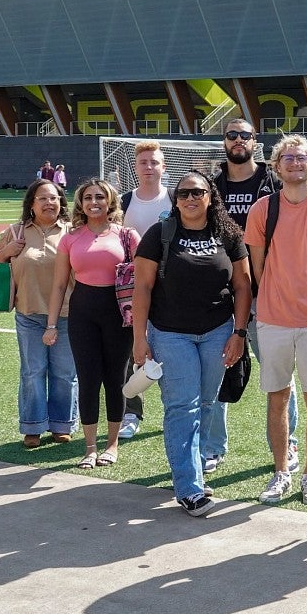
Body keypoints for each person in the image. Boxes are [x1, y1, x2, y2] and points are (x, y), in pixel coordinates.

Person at [131, 170, 251, 517]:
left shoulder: (227, 234)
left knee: (208, 403)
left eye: (197, 192)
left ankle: (194, 470)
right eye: (183, 194)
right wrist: (140, 339)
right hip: (170, 333)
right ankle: (190, 488)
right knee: (183, 406)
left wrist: (239, 333)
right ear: (176, 199)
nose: (190, 199)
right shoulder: (160, 234)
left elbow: (243, 286)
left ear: (210, 196)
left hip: (217, 331)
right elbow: (142, 288)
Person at [245, 135, 307, 506]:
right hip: (272, 319)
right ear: (276, 166)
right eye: (286, 158)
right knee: (277, 398)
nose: (294, 163)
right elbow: (257, 267)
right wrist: (273, 296)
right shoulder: (262, 210)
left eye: (301, 158)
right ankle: (280, 473)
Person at [45, 179, 138, 469]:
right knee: (87, 380)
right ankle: (89, 447)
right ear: (80, 203)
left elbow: (145, 282)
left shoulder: (127, 236)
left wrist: (144, 325)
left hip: (119, 316)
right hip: (82, 314)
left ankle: (112, 444)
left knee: (115, 380)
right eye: (87, 197)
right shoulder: (70, 238)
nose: (93, 202)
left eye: (100, 197)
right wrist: (51, 325)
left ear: (110, 202)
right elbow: (60, 285)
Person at [211, 118, 285, 474]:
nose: (238, 140)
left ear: (256, 142)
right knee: (212, 370)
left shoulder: (272, 182)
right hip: (219, 293)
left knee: (277, 373)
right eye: (231, 135)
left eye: (245, 135)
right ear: (224, 141)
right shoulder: (211, 186)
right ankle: (213, 448)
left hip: (265, 293)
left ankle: (288, 447)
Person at [0, 180, 78, 448]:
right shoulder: (16, 231)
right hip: (29, 313)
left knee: (64, 373)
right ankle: (32, 426)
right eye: (42, 198)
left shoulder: (72, 231)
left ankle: (61, 424)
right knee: (32, 372)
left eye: (54, 198)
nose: (49, 203)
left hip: (67, 314)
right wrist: (8, 251)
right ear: (31, 204)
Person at [117, 140, 172, 442]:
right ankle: (131, 413)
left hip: (170, 288)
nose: (149, 167)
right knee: (131, 351)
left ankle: (172, 410)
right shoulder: (124, 202)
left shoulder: (176, 199)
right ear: (136, 167)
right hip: (133, 289)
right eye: (143, 162)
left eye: (154, 162)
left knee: (170, 350)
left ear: (164, 166)